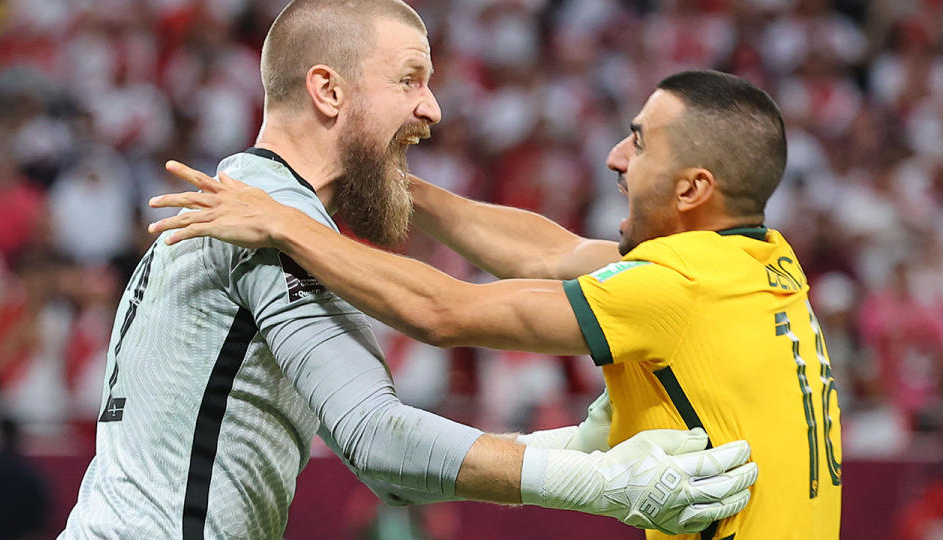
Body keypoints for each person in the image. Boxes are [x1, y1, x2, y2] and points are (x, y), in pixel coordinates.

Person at [61, 3, 758, 539]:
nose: (434, 107)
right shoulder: (267, 223)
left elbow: (398, 454)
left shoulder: (256, 205)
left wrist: (566, 443)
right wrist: (600, 479)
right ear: (328, 92)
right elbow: (380, 441)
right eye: (410, 80)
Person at [150, 69, 842, 540]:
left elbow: (443, 313)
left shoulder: (675, 287)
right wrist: (398, 190)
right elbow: (548, 253)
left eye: (638, 141)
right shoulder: (759, 263)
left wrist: (282, 222)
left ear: (693, 190)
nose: (614, 157)